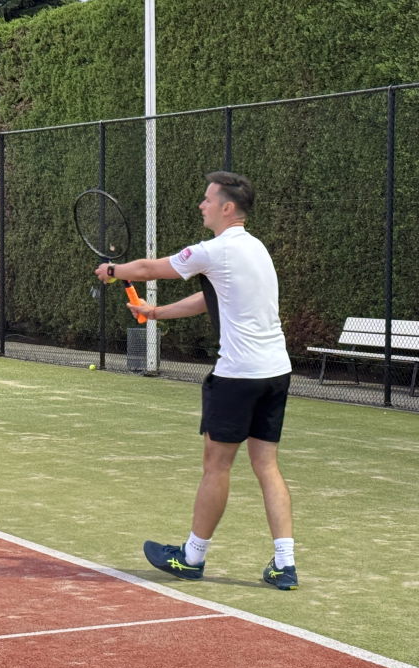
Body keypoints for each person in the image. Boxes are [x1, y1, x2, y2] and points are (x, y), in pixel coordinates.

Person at [93, 171, 297, 590]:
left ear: (227, 207)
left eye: (207, 199)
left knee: (216, 466)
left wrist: (113, 270)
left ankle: (191, 558)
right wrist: (156, 312)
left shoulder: (215, 250)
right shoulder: (256, 249)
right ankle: (285, 564)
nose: (201, 205)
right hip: (275, 372)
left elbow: (149, 268)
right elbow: (211, 298)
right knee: (266, 465)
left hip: (237, 376)